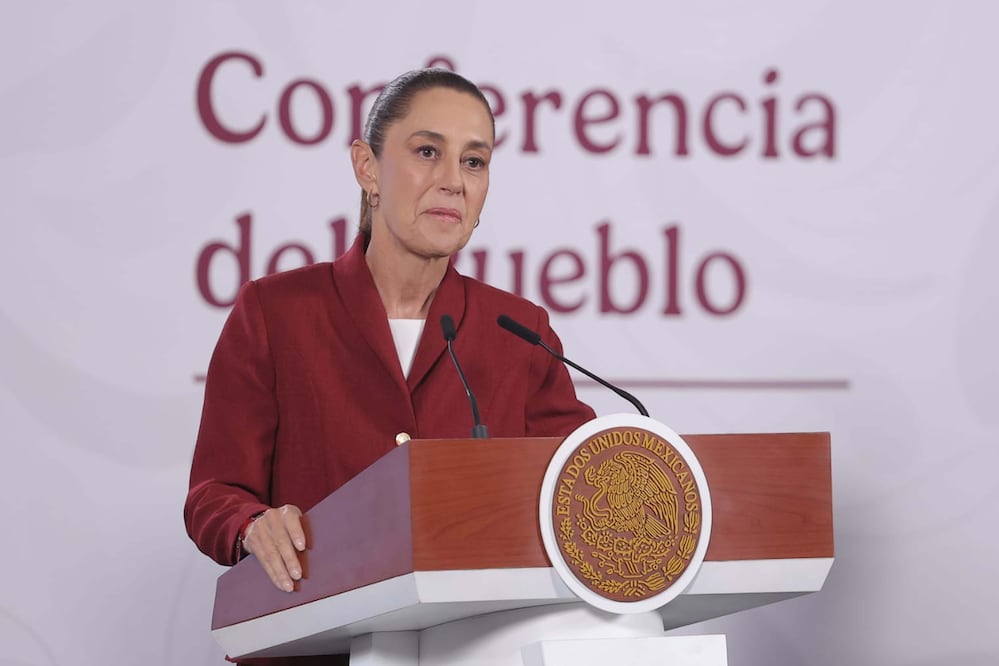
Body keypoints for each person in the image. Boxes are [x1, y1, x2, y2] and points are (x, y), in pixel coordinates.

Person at [184, 68, 596, 665]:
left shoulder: (519, 332)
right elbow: (213, 493)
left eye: (474, 162)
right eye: (428, 152)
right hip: (310, 646)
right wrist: (253, 524)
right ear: (367, 167)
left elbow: (579, 485)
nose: (453, 181)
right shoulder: (276, 312)